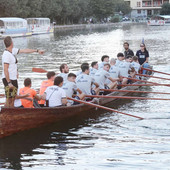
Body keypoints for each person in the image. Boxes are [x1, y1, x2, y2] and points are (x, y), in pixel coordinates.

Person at [2, 36, 44, 107]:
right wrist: (9, 82)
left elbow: (25, 50)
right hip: (9, 79)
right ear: (12, 43)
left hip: (13, 78)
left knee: (12, 99)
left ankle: (10, 114)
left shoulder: (12, 51)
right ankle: (7, 115)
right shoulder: (6, 54)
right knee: (10, 99)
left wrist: (36, 51)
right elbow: (5, 69)